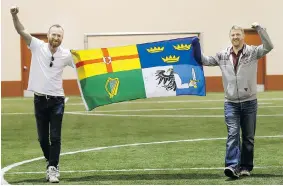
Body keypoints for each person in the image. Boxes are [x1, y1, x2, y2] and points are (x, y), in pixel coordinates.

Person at [192, 23, 273, 178]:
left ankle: (246, 167)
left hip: (250, 102)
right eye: (233, 35)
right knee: (233, 135)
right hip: (230, 103)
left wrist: (260, 30)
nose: (235, 37)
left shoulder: (252, 52)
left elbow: (269, 46)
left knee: (248, 138)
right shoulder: (222, 55)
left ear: (243, 36)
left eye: (238, 34)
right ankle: (231, 166)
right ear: (230, 37)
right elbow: (205, 60)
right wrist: (196, 46)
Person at [11, 6, 74, 183]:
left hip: (57, 101)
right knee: (42, 138)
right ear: (48, 35)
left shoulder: (67, 54)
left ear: (62, 38)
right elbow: (20, 30)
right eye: (53, 34)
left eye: (59, 36)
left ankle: (53, 169)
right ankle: (50, 162)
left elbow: (84, 64)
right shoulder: (37, 47)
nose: (56, 38)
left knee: (55, 137)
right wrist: (14, 16)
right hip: (39, 100)